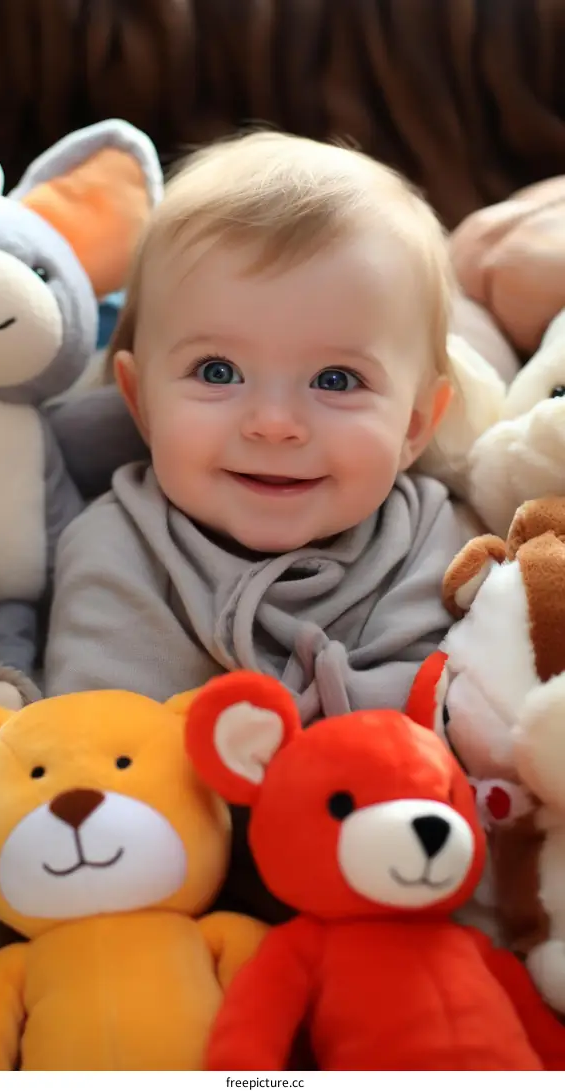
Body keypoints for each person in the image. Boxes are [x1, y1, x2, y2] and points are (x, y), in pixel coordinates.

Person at [45, 131, 474, 920]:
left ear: (416, 424)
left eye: (337, 380)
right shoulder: (121, 543)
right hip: (192, 915)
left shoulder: (437, 538)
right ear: (139, 401)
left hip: (403, 902)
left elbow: (457, 728)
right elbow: (111, 754)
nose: (274, 423)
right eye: (218, 372)